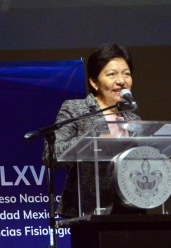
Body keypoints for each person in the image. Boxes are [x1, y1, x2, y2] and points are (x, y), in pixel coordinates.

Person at [45, 43, 143, 218]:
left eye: (126, 74)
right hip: (88, 212)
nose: (121, 81)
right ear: (94, 82)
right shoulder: (76, 109)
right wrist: (92, 144)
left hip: (131, 210)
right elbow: (52, 154)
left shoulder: (133, 119)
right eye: (111, 74)